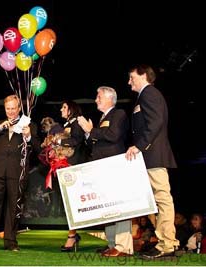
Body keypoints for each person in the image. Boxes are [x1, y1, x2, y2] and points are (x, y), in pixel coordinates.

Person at [125, 64, 179, 259]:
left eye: (131, 77)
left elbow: (156, 122)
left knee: (162, 198)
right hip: (149, 155)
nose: (129, 81)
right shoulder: (145, 95)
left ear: (143, 76)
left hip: (153, 154)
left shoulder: (149, 94)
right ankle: (165, 241)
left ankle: (167, 244)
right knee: (155, 200)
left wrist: (139, 145)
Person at [0, 94, 40, 252]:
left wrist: (28, 136)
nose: (11, 112)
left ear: (19, 108)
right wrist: (0, 128)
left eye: (14, 108)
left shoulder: (29, 125)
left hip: (17, 172)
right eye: (8, 109)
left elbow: (39, 148)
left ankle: (11, 242)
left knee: (14, 208)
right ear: (4, 109)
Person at [77, 86, 132, 256]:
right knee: (106, 207)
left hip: (114, 167)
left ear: (110, 98)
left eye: (99, 96)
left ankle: (124, 247)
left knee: (120, 207)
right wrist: (89, 135)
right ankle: (111, 244)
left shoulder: (119, 114)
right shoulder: (102, 118)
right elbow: (96, 142)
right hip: (102, 168)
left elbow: (113, 135)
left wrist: (90, 130)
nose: (96, 100)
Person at [55, 100, 86, 252]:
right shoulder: (68, 125)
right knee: (69, 204)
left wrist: (58, 140)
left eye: (64, 107)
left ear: (71, 110)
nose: (61, 109)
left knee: (73, 203)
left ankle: (72, 236)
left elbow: (76, 141)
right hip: (66, 168)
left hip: (75, 168)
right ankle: (73, 234)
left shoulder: (77, 123)